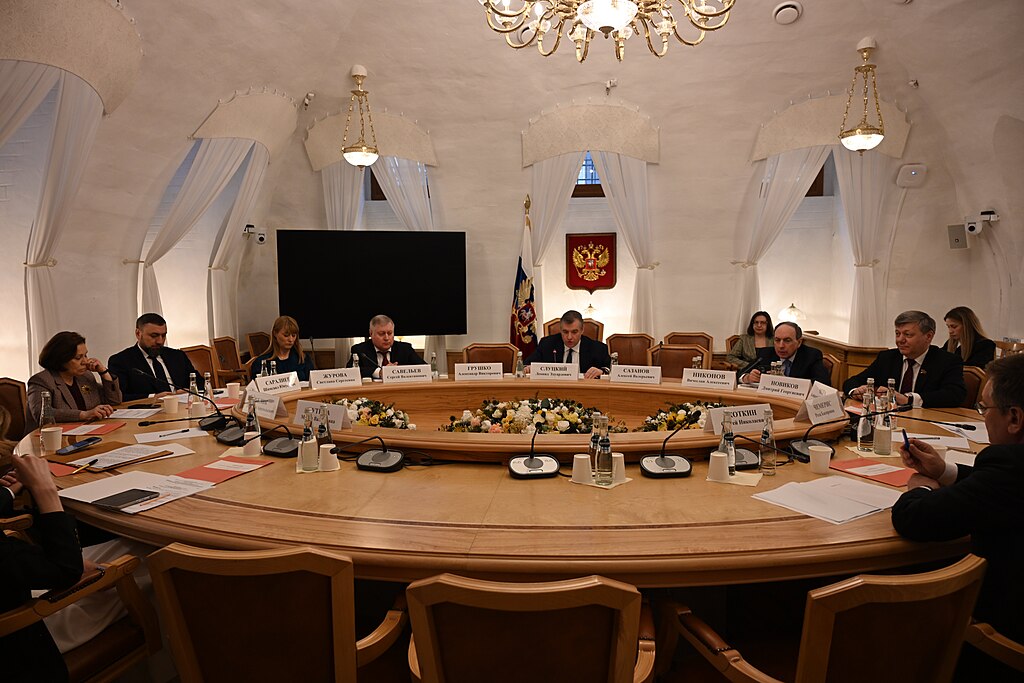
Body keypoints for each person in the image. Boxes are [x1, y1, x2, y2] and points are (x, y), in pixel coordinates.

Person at [892, 354, 1024, 672]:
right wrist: (945, 470)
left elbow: (915, 519)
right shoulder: (1009, 473)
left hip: (997, 644)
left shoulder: (1009, 468)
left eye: (984, 408)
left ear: (1015, 418)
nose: (982, 417)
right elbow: (995, 491)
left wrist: (920, 487)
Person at [1, 451, 84, 682]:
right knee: (142, 558)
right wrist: (44, 488)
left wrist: (7, 491)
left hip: (17, 580)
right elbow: (67, 570)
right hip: (22, 640)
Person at [842, 310, 966, 408]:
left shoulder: (947, 361)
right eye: (897, 334)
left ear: (928, 336)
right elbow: (853, 381)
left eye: (908, 335)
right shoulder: (887, 357)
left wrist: (909, 399)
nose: (900, 340)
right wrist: (856, 391)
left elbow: (955, 395)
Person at [26, 332, 122, 431]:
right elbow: (42, 413)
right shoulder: (41, 381)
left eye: (85, 355)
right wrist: (83, 415)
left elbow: (114, 401)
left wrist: (103, 372)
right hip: (50, 438)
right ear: (61, 359)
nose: (85, 361)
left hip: (88, 432)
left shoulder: (85, 376)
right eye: (78, 358)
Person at [108, 313, 202, 401]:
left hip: (183, 408)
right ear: (138, 334)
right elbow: (119, 397)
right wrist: (153, 397)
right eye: (154, 336)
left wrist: (190, 390)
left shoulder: (177, 356)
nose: (160, 341)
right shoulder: (120, 361)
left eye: (163, 335)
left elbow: (200, 383)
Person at [524, 310, 610, 379]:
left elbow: (611, 369)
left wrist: (602, 372)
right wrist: (529, 368)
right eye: (565, 332)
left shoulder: (597, 348)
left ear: (582, 330)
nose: (569, 337)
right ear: (560, 330)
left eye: (574, 332)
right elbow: (527, 364)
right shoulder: (547, 344)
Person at [737, 321, 831, 386]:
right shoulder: (766, 353)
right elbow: (738, 375)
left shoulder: (811, 355)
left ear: (799, 342)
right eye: (777, 340)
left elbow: (823, 383)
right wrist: (747, 378)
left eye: (787, 340)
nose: (781, 346)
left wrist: (785, 382)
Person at [348, 314, 426, 379]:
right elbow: (350, 372)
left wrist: (397, 371)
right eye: (381, 334)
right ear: (371, 333)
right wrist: (379, 372)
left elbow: (425, 369)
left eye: (390, 333)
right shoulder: (360, 350)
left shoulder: (405, 349)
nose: (386, 338)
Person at [250, 315, 314, 380]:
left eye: (293, 335)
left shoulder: (304, 359)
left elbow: (312, 384)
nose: (291, 339)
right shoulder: (261, 363)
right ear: (275, 334)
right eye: (286, 335)